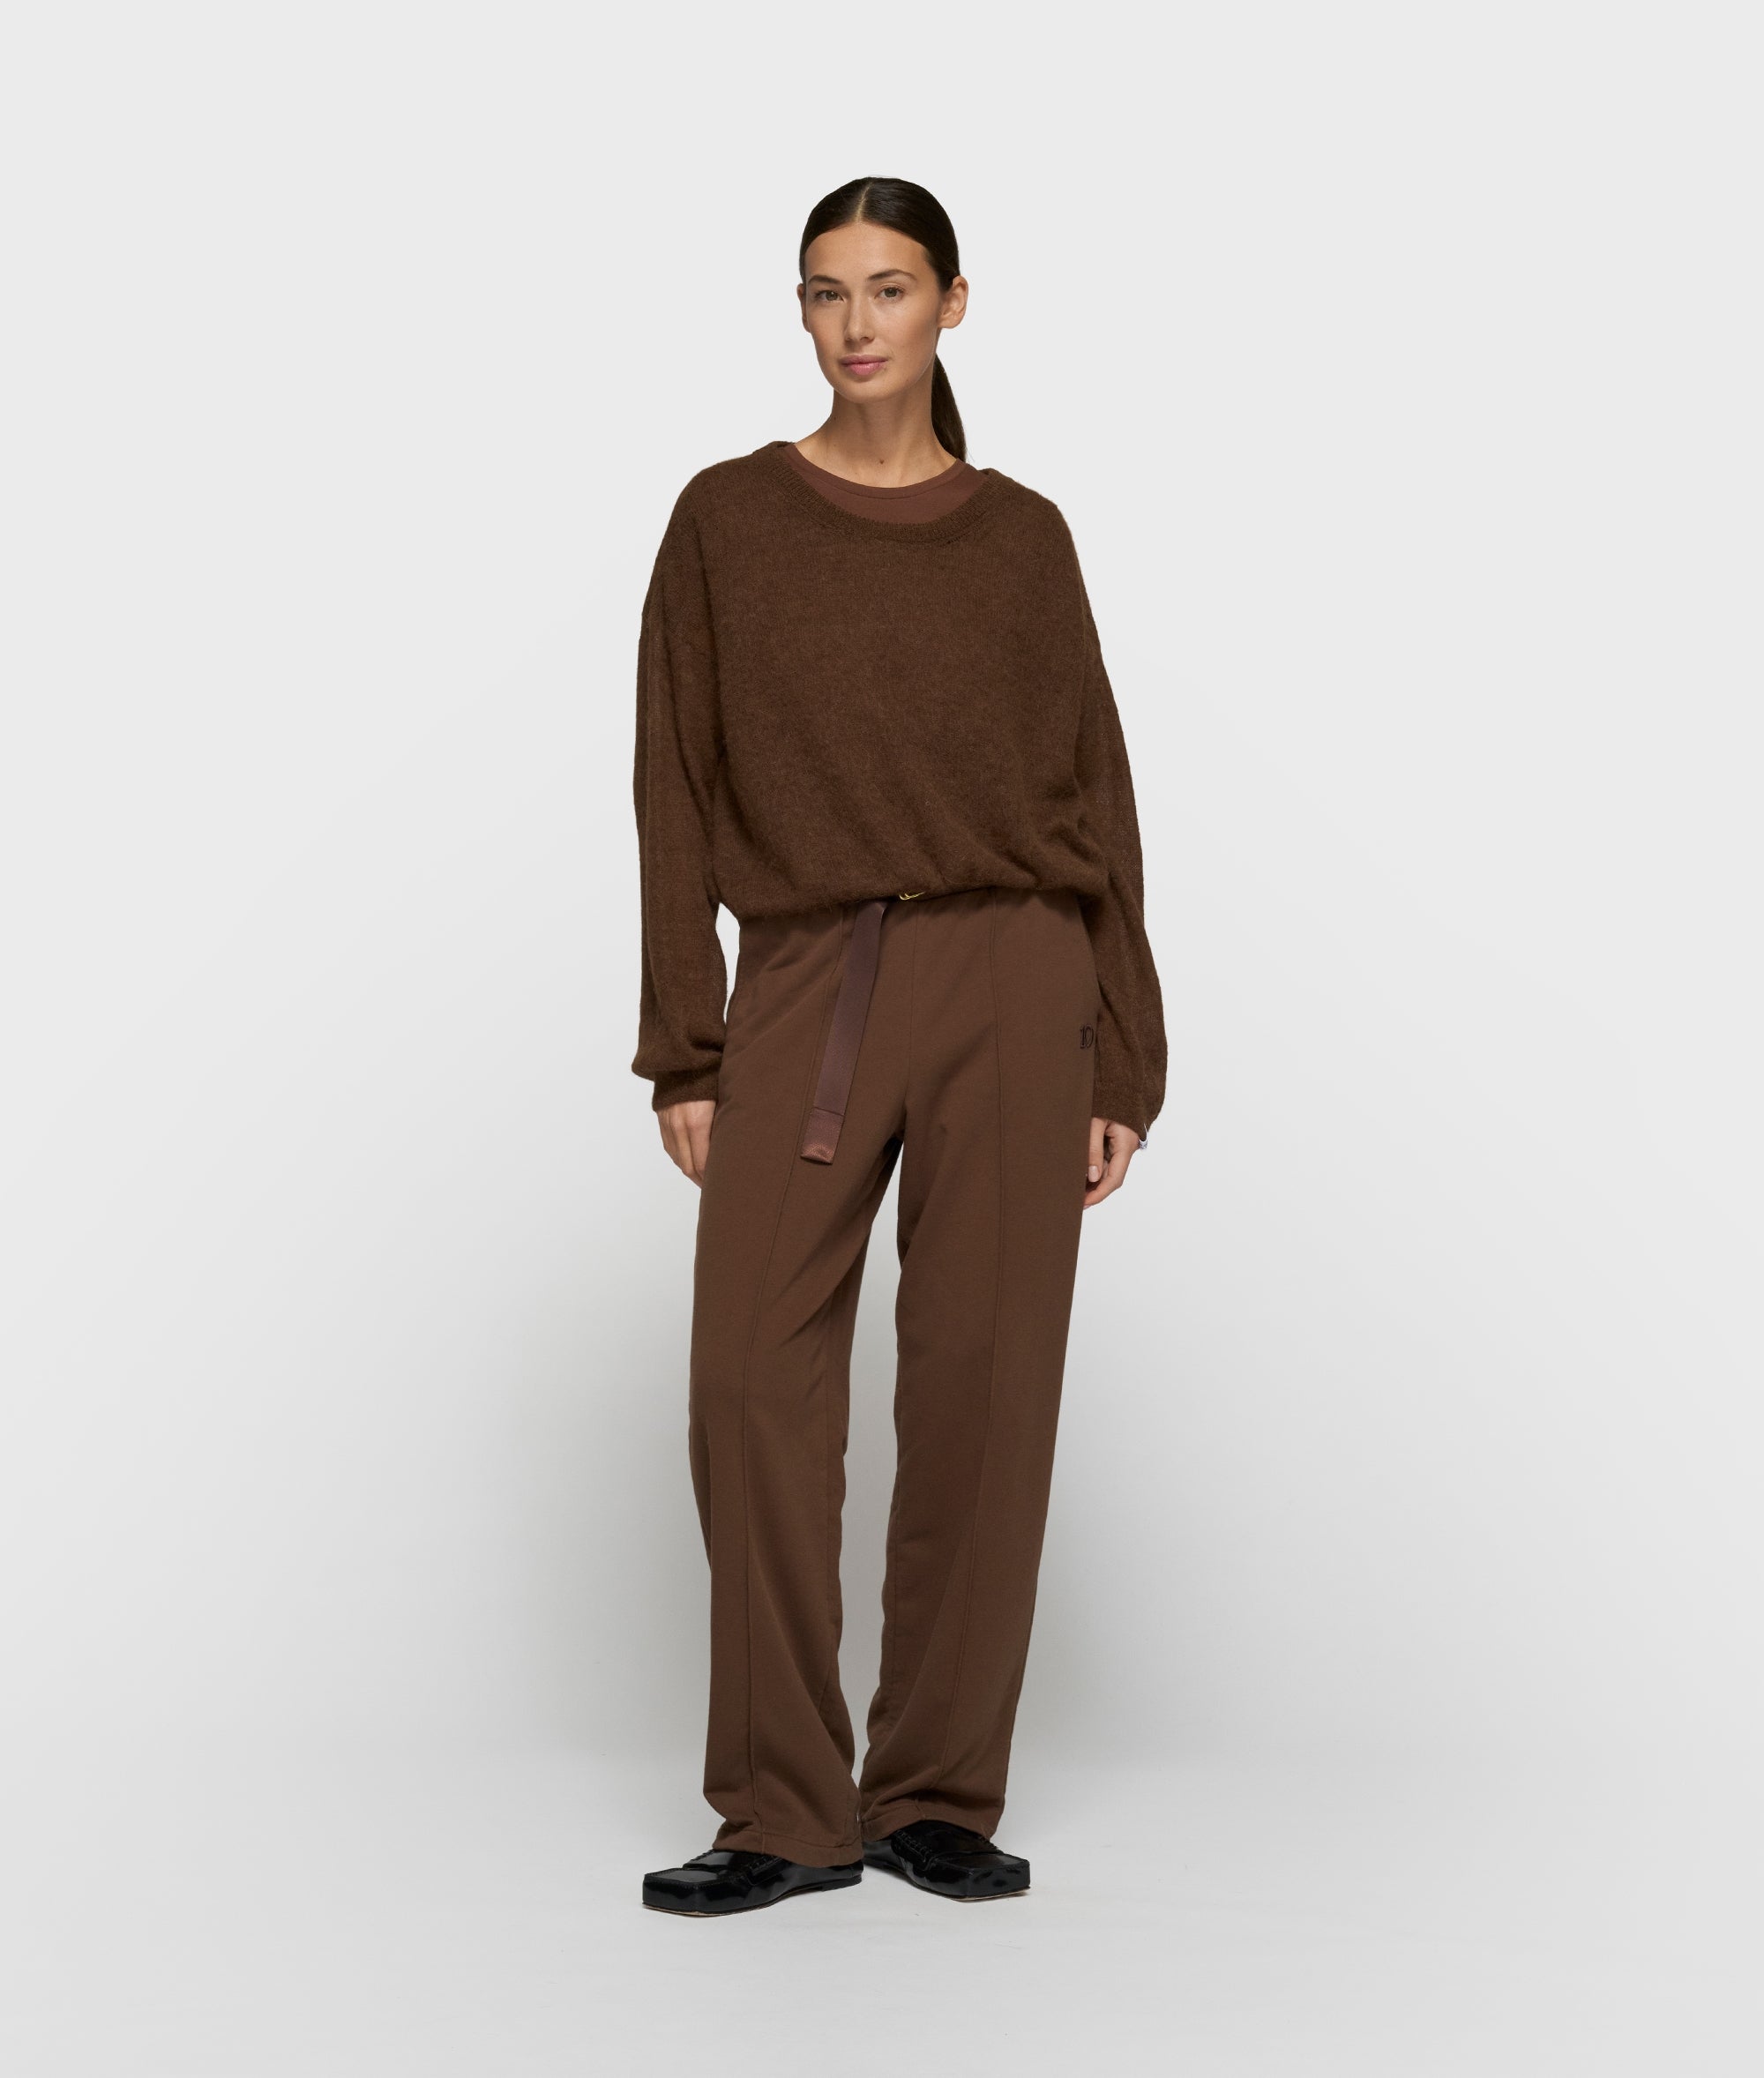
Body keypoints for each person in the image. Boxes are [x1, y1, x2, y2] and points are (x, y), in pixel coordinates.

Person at [631, 176, 1166, 1917]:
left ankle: (936, 1788)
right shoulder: (727, 518)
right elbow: (672, 785)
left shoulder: (1023, 539)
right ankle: (785, 1806)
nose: (856, 322)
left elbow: (1095, 794)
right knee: (747, 1382)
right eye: (825, 290)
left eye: (889, 287)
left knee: (985, 1383)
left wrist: (1122, 1054)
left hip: (1018, 970)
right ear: (800, 313)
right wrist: (685, 1042)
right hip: (814, 974)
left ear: (952, 304)